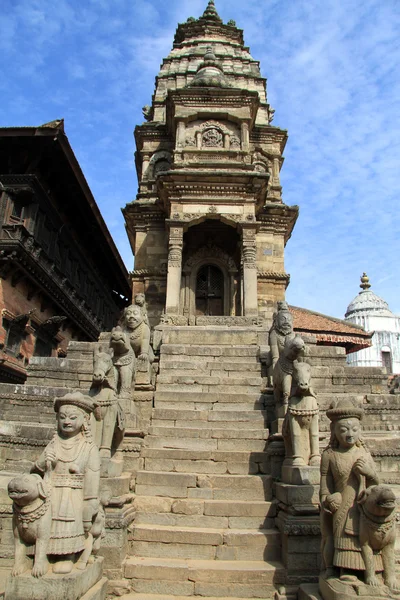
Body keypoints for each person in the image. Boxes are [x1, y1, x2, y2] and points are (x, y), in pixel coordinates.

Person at [32, 392, 100, 574]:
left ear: (85, 420)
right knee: (47, 524)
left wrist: (89, 506)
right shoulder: (53, 444)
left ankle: (68, 554)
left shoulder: (89, 448)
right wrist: (44, 462)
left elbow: (92, 484)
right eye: (62, 417)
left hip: (73, 495)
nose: (67, 421)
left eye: (72, 417)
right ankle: (44, 554)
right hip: (51, 492)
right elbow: (35, 472)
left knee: (70, 523)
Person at [320, 399, 379, 578]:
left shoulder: (364, 454)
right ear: (334, 431)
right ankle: (341, 569)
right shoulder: (329, 455)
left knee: (364, 539)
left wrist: (369, 473)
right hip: (341, 505)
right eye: (343, 430)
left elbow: (376, 485)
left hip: (361, 506)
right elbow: (324, 486)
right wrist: (328, 499)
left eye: (354, 429)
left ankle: (368, 570)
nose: (349, 435)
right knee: (340, 537)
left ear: (360, 431)